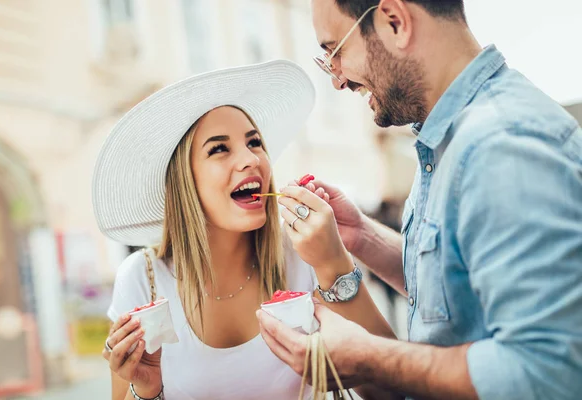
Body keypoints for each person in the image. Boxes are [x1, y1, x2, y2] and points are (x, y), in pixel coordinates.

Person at [257, 1, 582, 399]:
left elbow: (547, 373)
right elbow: (457, 288)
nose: (337, 81)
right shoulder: (449, 138)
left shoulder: (502, 145)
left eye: (335, 50)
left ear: (395, 22)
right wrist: (362, 237)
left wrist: (371, 359)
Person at [94, 60, 395, 400]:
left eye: (254, 143)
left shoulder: (306, 253)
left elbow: (392, 391)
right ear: (185, 181)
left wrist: (333, 262)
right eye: (219, 149)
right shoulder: (142, 280)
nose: (251, 159)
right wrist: (146, 391)